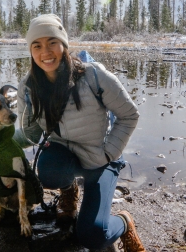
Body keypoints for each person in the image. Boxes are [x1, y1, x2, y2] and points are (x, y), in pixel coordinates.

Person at [15, 13, 146, 252]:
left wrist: (108, 153)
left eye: (52, 42)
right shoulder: (28, 87)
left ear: (64, 44)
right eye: (37, 45)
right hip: (64, 156)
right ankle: (69, 190)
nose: (45, 52)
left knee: (94, 236)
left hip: (101, 159)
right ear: (30, 50)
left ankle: (124, 222)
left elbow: (129, 115)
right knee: (48, 170)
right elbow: (30, 133)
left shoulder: (94, 76)